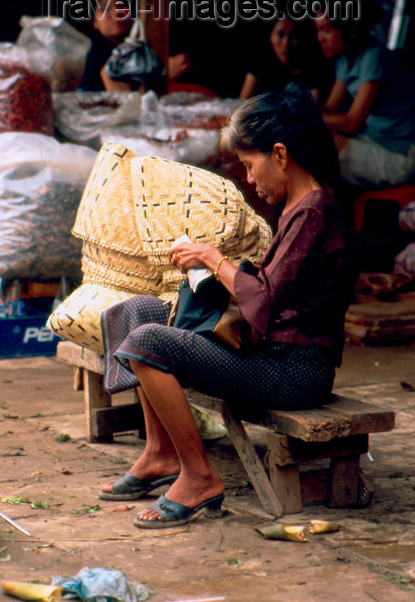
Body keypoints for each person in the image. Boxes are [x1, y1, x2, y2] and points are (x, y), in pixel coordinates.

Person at [98, 84, 353, 528]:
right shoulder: (298, 207)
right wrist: (214, 267)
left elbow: (266, 303)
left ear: (280, 154)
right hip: (266, 351)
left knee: (147, 342)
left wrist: (214, 260)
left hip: (294, 369)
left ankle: (199, 477)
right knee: (137, 312)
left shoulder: (315, 212)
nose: (249, 180)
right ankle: (160, 454)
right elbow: (272, 290)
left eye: (250, 166)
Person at [315, 11, 415, 189]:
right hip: (375, 141)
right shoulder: (344, 59)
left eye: (326, 31)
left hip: (402, 155)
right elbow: (329, 109)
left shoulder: (373, 56)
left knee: (324, 148)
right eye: (318, 31)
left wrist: (309, 116)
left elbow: (351, 122)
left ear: (351, 30)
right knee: (315, 140)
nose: (320, 38)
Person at [79, 0, 192, 92]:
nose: (116, 12)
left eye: (121, 4)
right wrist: (162, 75)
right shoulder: (94, 60)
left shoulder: (150, 40)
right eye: (105, 9)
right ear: (94, 22)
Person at [239, 17, 333, 102]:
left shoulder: (313, 67)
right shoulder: (259, 62)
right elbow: (243, 103)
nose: (286, 43)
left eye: (293, 35)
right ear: (270, 36)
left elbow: (312, 111)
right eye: (280, 34)